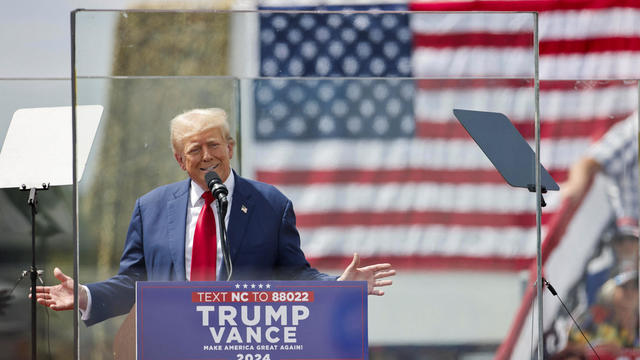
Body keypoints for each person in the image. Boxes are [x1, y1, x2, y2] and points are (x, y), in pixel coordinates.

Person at [34, 108, 395, 326]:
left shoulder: (270, 204)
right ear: (180, 159)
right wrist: (84, 294)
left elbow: (295, 275)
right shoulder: (151, 208)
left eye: (214, 145)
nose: (207, 155)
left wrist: (337, 286)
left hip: (243, 344)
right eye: (195, 149)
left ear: (230, 148)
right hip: (173, 344)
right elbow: (134, 283)